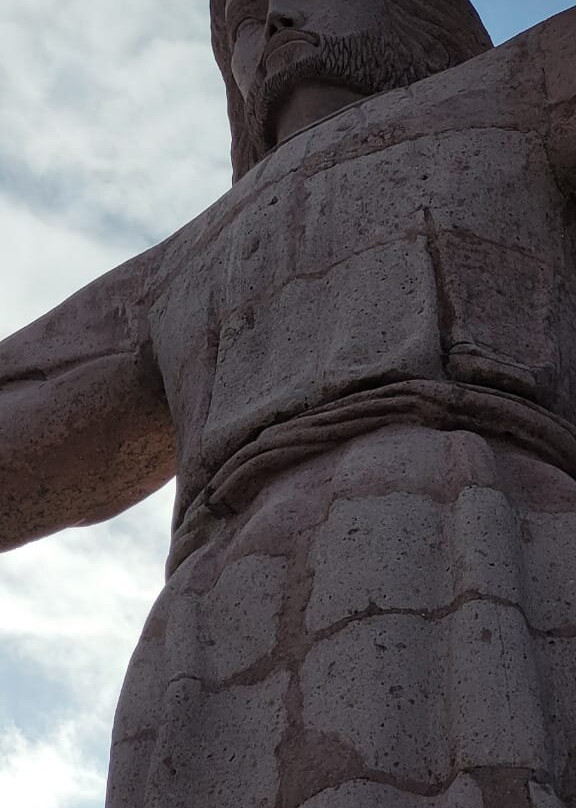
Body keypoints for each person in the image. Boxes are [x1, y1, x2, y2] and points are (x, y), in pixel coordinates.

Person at [1, 1, 575, 805]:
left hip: (487, 523)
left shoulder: (523, 96)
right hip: (223, 599)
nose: (272, 20)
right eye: (239, 19)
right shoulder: (179, 264)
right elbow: (29, 397)